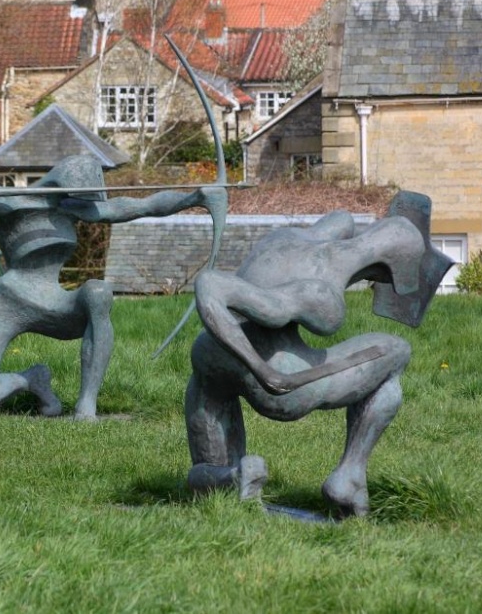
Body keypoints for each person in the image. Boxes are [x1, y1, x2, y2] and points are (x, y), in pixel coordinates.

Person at [0, 154, 225, 419]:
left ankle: (86, 406)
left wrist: (194, 197)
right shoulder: (9, 202)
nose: (88, 206)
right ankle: (30, 379)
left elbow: (144, 205)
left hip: (56, 304)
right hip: (9, 300)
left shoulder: (72, 207)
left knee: (98, 292)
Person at [185, 194, 450, 516]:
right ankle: (349, 476)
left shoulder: (290, 237)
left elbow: (342, 220)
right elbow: (211, 286)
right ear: (382, 266)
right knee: (396, 351)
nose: (372, 285)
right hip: (277, 379)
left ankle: (234, 476)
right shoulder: (322, 295)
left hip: (210, 357)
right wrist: (262, 370)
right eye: (378, 279)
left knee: (209, 464)